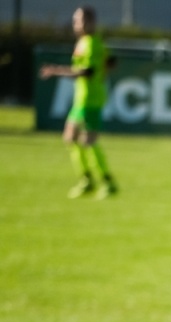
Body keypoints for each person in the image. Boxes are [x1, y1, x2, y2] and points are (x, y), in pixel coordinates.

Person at [39, 6, 116, 199]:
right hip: (81, 99)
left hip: (91, 99)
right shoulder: (85, 42)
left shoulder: (91, 43)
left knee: (88, 141)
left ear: (90, 22)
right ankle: (87, 180)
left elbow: (87, 71)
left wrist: (56, 71)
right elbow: (111, 60)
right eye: (75, 20)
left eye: (79, 20)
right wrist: (104, 70)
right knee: (70, 137)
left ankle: (108, 182)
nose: (76, 24)